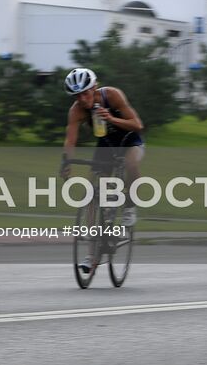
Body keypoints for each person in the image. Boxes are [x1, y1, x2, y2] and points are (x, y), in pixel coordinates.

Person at [60, 66, 145, 242]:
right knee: (93, 188)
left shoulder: (112, 95)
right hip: (106, 144)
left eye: (85, 93)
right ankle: (94, 246)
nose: (82, 99)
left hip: (129, 140)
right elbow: (70, 140)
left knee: (131, 164)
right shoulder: (76, 111)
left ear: (94, 87)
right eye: (77, 96)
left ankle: (129, 204)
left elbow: (137, 125)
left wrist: (111, 119)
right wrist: (66, 162)